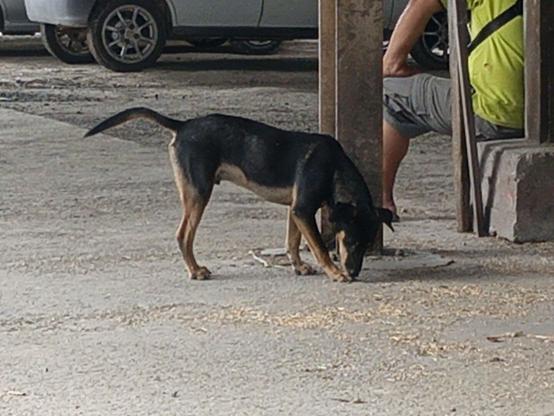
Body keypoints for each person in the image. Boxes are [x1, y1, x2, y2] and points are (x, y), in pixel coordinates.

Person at [382, 0, 524, 220]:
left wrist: (392, 63)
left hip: (499, 112)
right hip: (546, 118)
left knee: (389, 92)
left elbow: (423, 2)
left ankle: (381, 202)